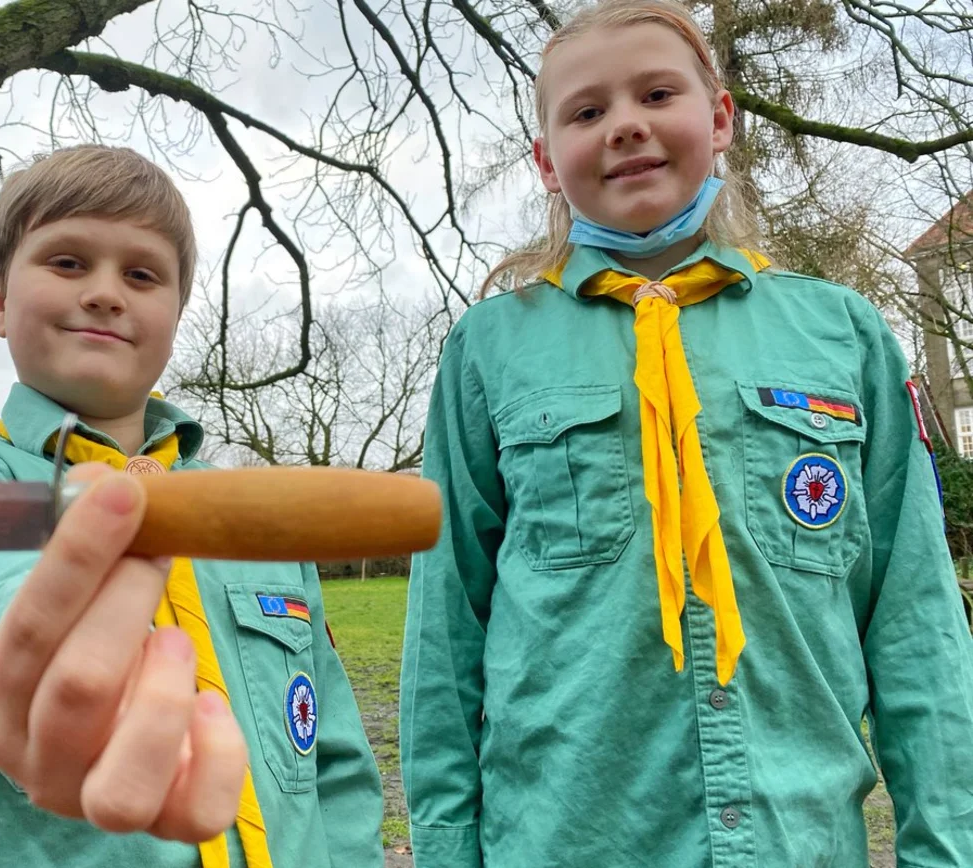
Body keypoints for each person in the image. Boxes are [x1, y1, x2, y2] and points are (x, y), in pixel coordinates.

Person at [398, 2, 973, 865]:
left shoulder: (843, 336)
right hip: (564, 837)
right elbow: (445, 629)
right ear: (547, 161)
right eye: (587, 112)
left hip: (796, 839)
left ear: (720, 117)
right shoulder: (489, 350)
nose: (626, 126)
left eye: (657, 94)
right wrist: (447, 849)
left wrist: (949, 844)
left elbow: (914, 616)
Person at [0, 145, 384, 868]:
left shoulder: (255, 522)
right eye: (68, 262)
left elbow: (333, 759)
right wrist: (42, 666)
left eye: (141, 275)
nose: (106, 293)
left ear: (175, 312)